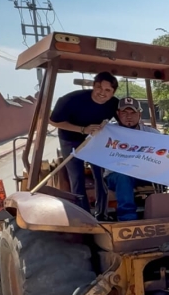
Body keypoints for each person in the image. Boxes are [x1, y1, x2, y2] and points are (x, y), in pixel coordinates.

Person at [104, 97, 169, 221]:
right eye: (124, 112)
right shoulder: (108, 132)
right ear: (118, 114)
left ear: (139, 114)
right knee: (124, 176)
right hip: (116, 175)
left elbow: (165, 154)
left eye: (133, 112)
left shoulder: (151, 133)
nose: (129, 116)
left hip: (146, 173)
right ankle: (127, 220)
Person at [49, 72, 120, 215]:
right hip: (70, 139)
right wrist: (83, 129)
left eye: (108, 90)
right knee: (77, 177)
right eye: (99, 87)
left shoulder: (114, 104)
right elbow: (53, 121)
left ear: (112, 93)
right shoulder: (71, 100)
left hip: (95, 140)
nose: (102, 93)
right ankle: (83, 215)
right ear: (93, 86)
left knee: (101, 176)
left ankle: (102, 213)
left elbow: (123, 122)